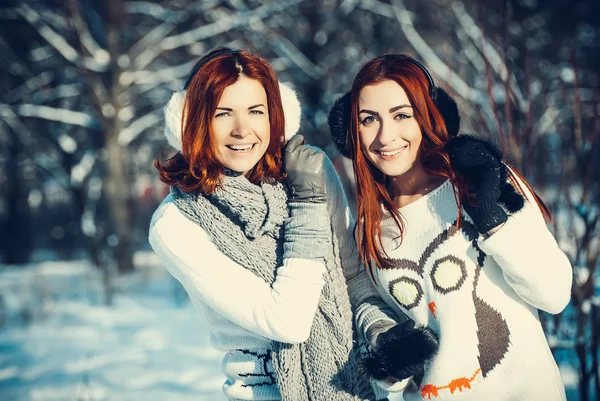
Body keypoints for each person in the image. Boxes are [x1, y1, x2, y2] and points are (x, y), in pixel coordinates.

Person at [149, 48, 395, 401]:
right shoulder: (174, 225)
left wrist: (380, 330)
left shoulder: (309, 170)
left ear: (275, 116)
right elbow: (288, 321)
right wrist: (307, 205)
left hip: (357, 385)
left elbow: (351, 275)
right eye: (222, 113)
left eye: (255, 111)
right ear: (193, 121)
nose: (241, 130)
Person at [328, 54, 573, 400]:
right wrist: (391, 365)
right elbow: (393, 351)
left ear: (429, 115)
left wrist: (492, 220)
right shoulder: (370, 229)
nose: (385, 136)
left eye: (401, 115)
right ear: (351, 131)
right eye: (369, 119)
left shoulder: (479, 179)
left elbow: (555, 294)